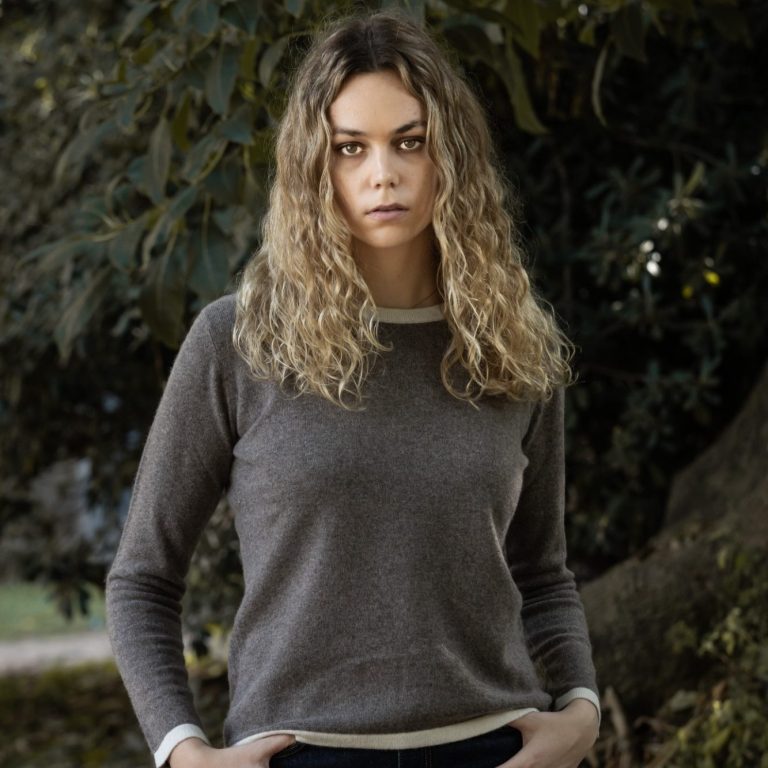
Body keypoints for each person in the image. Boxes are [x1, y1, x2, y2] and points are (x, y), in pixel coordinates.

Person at [105, 8, 602, 768]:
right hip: (299, 753)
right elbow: (142, 578)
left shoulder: (512, 347)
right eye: (349, 148)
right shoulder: (238, 342)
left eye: (411, 141)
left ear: (451, 156)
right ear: (315, 166)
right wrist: (183, 749)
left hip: (493, 748)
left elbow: (543, 573)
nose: (383, 174)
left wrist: (581, 710)